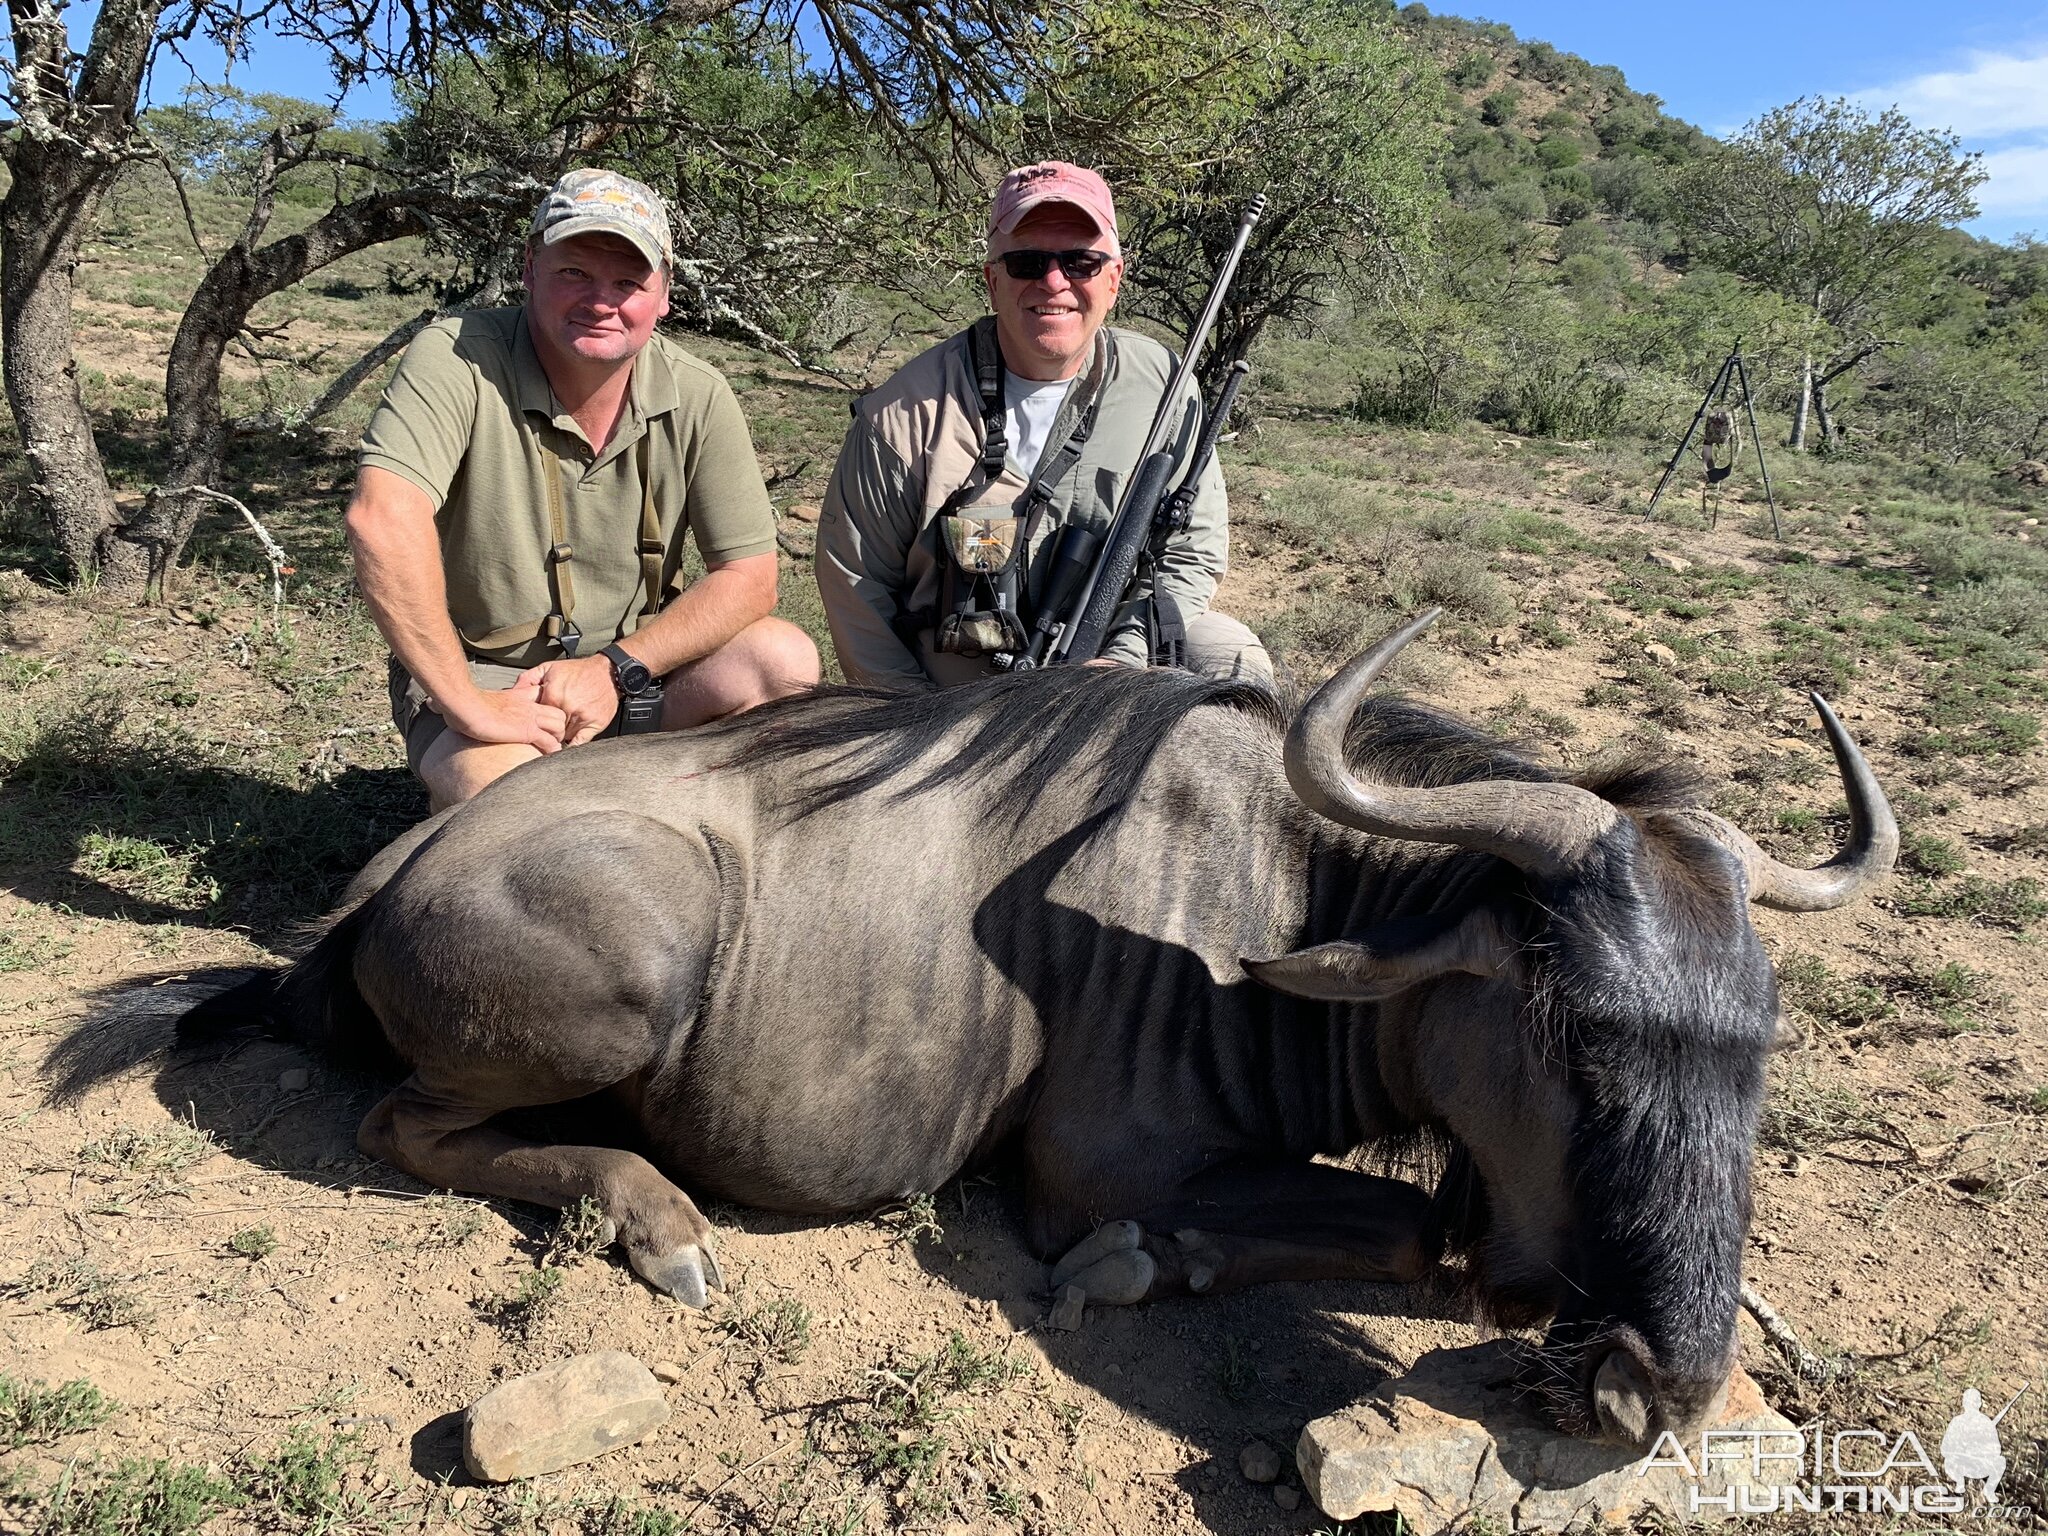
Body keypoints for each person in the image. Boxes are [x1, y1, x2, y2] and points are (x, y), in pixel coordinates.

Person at [346, 168, 820, 809]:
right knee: (512, 799)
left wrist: (613, 670)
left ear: (664, 295)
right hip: (497, 683)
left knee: (781, 659)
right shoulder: (456, 356)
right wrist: (470, 705)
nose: (602, 301)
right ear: (530, 267)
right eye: (575, 273)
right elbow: (382, 519)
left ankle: (686, 826)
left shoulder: (699, 391)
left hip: (637, 676)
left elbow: (750, 576)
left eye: (628, 282)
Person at [817, 160, 1271, 690]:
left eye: (1080, 261)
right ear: (992, 280)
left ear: (1114, 279)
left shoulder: (1166, 385)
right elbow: (856, 589)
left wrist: (1123, 659)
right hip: (957, 688)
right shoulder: (899, 413)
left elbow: (1193, 546)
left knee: (1232, 659)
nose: (1054, 282)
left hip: (1117, 659)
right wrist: (914, 737)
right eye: (1027, 262)